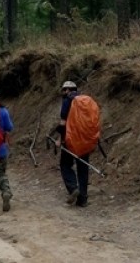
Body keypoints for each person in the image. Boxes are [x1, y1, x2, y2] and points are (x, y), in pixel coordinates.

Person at [53, 80, 99, 208]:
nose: (63, 92)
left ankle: (73, 188)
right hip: (85, 140)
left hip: (71, 140)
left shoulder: (68, 101)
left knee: (65, 164)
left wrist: (59, 139)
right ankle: (83, 199)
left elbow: (63, 123)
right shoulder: (87, 101)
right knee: (83, 169)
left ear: (67, 90)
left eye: (64, 90)